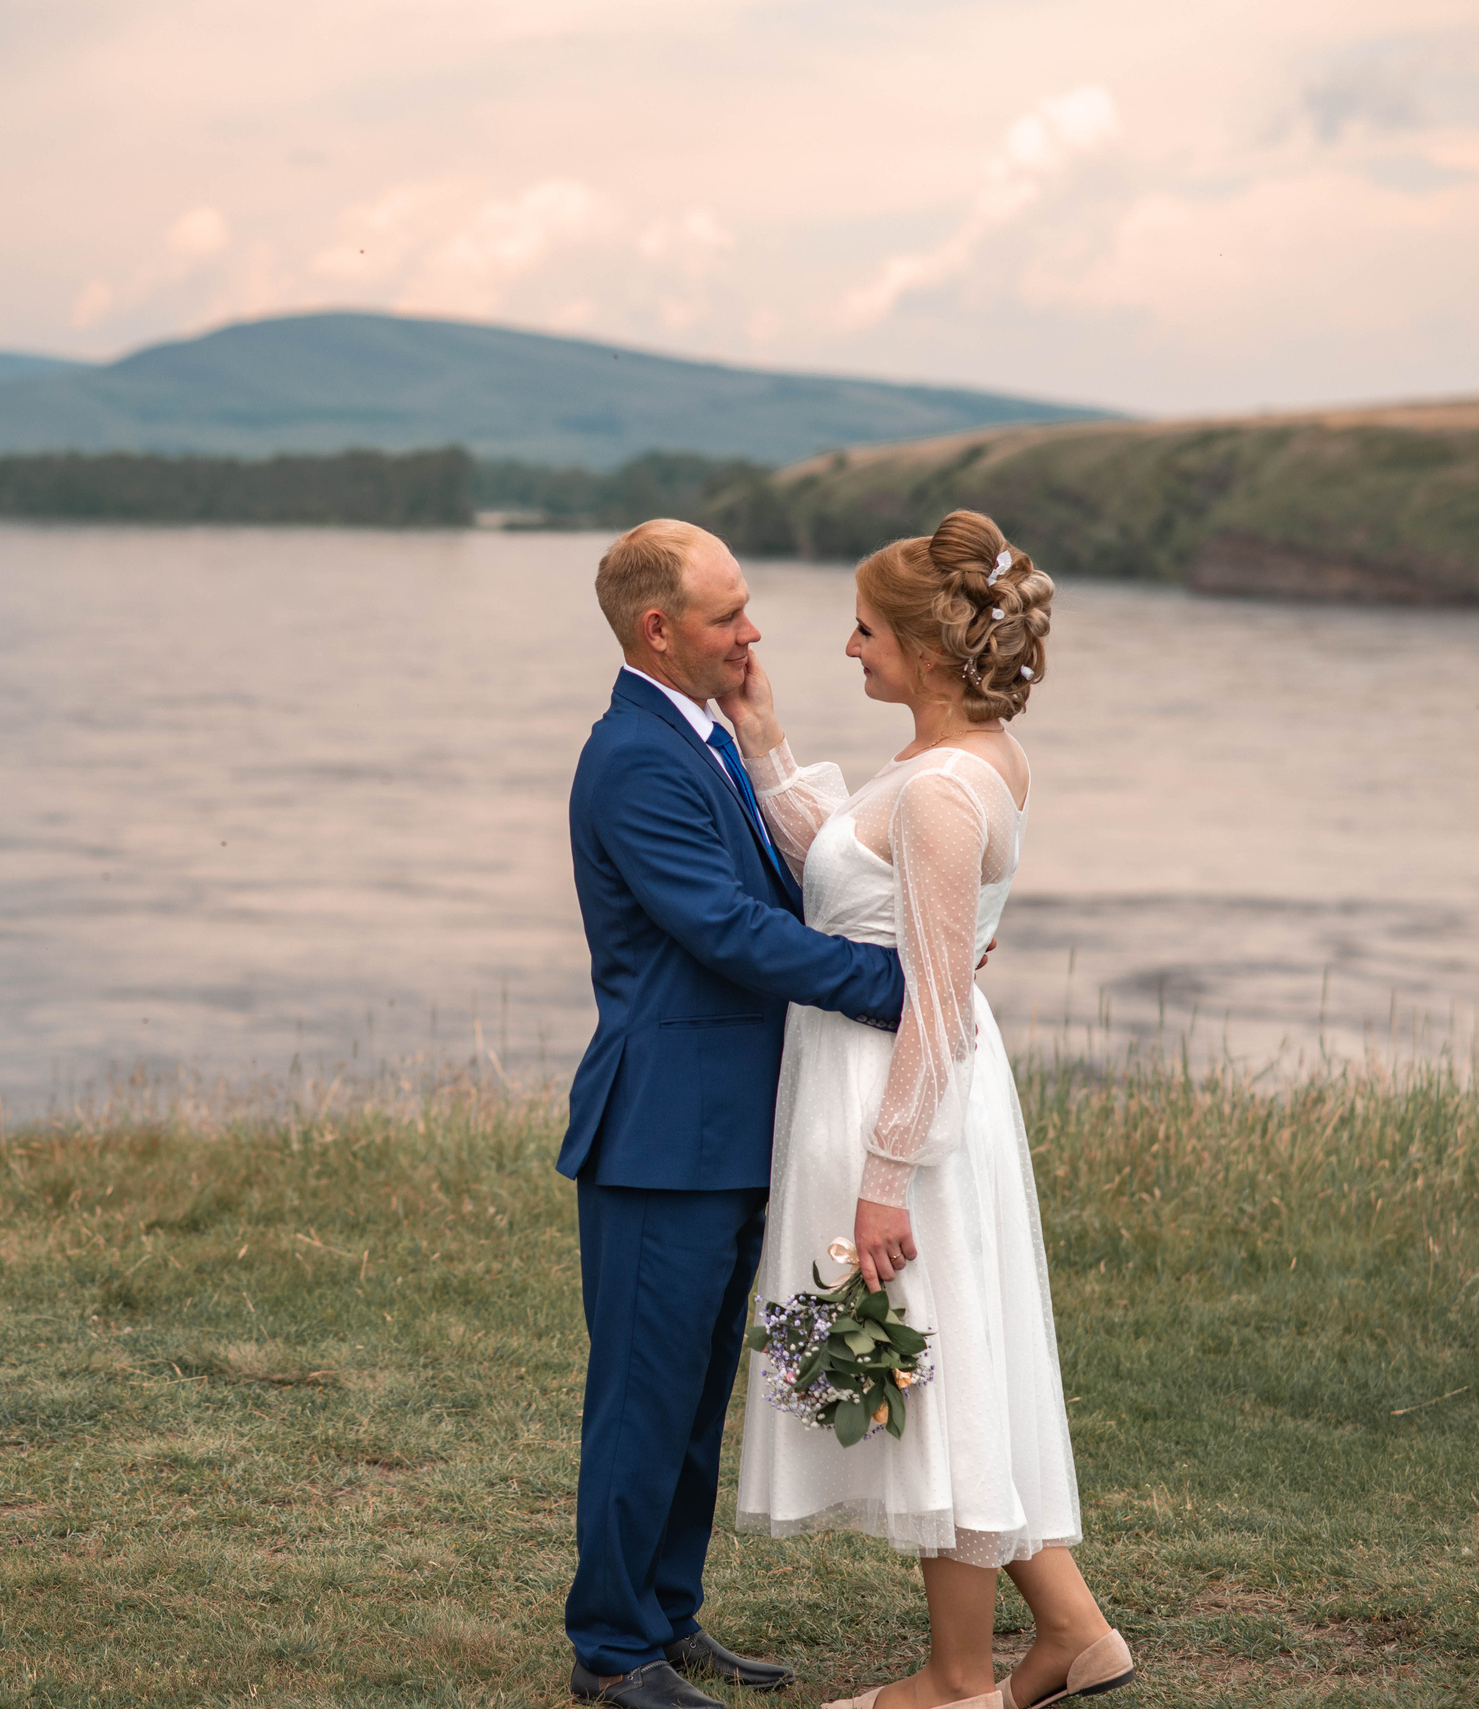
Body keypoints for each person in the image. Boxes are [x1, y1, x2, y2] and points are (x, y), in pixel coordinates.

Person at [720, 512, 1132, 1709]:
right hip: (892, 1088)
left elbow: (939, 999)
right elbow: (848, 878)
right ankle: (1072, 1632)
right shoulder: (948, 761)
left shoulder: (947, 787)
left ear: (925, 647)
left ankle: (957, 1678)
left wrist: (885, 1171)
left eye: (863, 628)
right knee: (941, 1363)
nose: (848, 646)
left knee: (928, 1370)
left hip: (907, 1105)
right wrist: (765, 737)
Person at [560, 519, 910, 1709]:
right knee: (641, 1402)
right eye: (727, 615)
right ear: (658, 629)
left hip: (722, 1130)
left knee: (696, 1401)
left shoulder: (697, 736)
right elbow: (726, 927)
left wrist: (766, 739)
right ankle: (610, 1648)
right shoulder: (635, 758)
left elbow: (785, 881)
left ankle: (666, 1614)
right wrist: (889, 986)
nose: (753, 631)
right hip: (661, 1138)